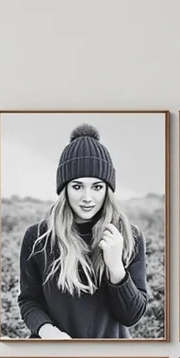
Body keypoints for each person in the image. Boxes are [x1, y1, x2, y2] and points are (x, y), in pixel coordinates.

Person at [18, 124, 149, 340]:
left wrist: (116, 268)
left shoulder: (129, 236)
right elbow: (29, 301)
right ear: (64, 188)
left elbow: (132, 316)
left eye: (97, 187)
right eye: (77, 186)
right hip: (53, 354)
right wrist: (47, 332)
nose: (87, 197)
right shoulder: (37, 238)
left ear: (108, 189)